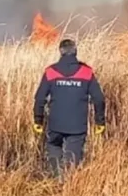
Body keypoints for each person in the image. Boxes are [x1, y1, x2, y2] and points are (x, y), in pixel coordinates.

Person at [33, 38, 106, 179]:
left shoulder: (50, 72)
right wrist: (100, 122)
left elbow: (40, 98)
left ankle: (56, 181)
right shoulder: (86, 72)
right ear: (75, 51)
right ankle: (69, 187)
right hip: (77, 127)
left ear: (60, 52)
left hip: (55, 125)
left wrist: (38, 120)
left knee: (54, 149)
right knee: (73, 161)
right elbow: (99, 99)